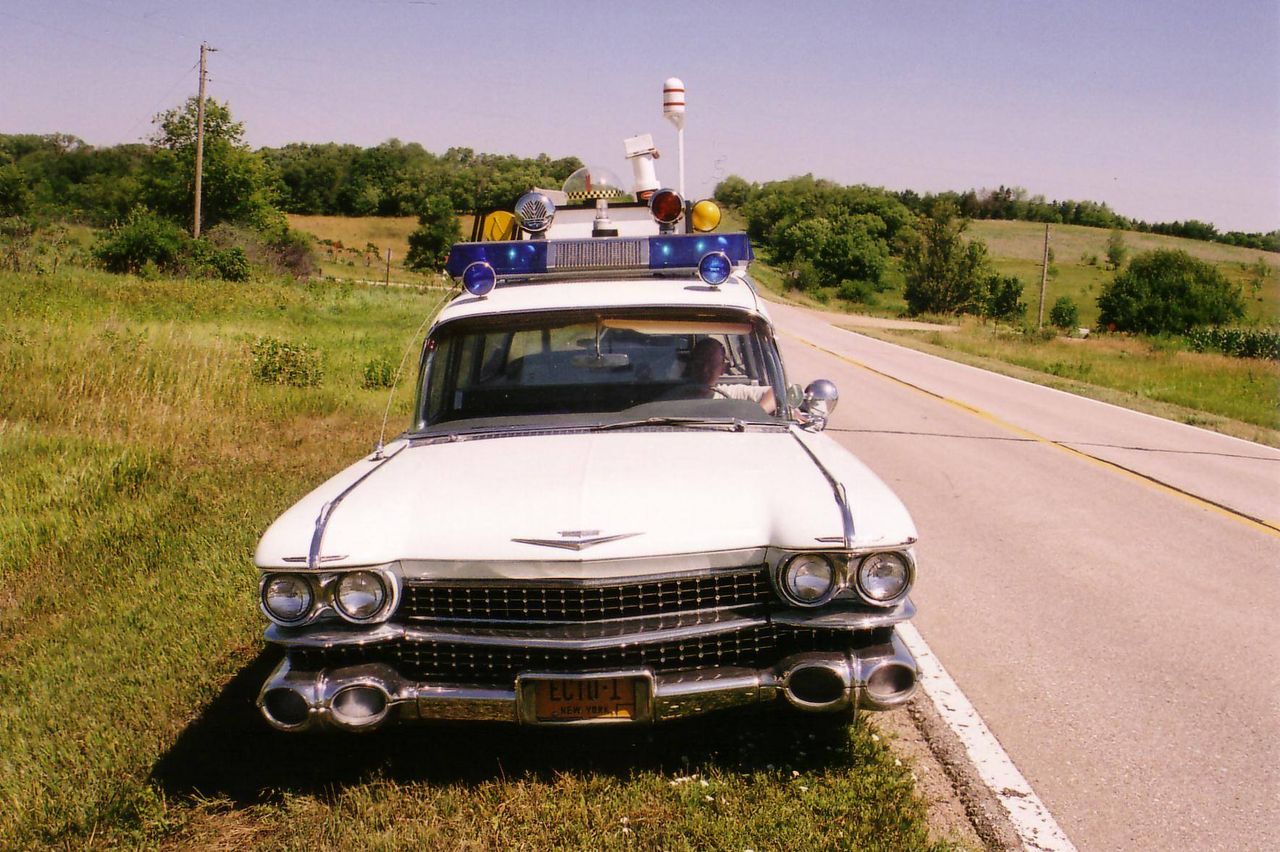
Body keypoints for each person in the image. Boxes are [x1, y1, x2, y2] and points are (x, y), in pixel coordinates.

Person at [685, 338, 777, 414]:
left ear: (722, 369)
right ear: (691, 365)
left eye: (712, 365)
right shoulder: (677, 396)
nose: (704, 370)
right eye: (700, 363)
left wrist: (757, 414)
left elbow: (775, 393)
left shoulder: (732, 393)